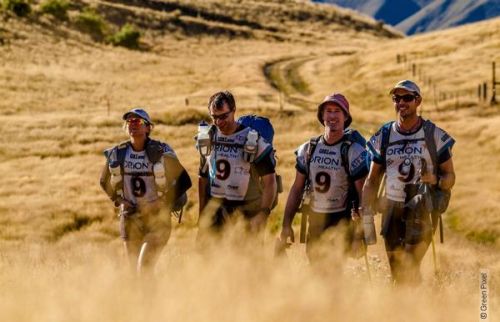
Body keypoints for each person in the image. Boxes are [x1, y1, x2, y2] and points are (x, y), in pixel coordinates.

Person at [361, 80, 456, 284]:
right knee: (397, 272)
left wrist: (435, 179)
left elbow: (450, 177)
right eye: (397, 98)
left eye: (407, 98)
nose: (401, 102)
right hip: (391, 209)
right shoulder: (384, 135)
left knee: (409, 269)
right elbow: (372, 178)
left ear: (418, 100)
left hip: (421, 208)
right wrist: (365, 208)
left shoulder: (433, 135)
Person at [100, 108, 191, 275]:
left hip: (157, 220)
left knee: (144, 268)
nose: (133, 125)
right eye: (129, 122)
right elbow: (103, 180)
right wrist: (119, 200)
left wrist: (161, 202)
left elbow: (184, 180)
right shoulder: (118, 152)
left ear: (148, 128)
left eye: (138, 121)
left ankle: (155, 300)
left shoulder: (160, 151)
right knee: (133, 273)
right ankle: (143, 301)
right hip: (129, 218)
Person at [279, 93, 369, 261]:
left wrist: (360, 234)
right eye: (328, 111)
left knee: (333, 273)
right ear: (322, 116)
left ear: (345, 117)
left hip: (341, 219)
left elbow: (362, 194)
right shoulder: (308, 149)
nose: (332, 116)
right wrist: (286, 224)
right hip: (315, 220)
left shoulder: (354, 151)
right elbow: (297, 188)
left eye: (337, 111)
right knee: (316, 275)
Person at [197, 91, 277, 238]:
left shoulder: (252, 140)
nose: (219, 122)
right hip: (215, 211)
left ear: (234, 110)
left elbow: (270, 181)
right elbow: (203, 178)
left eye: (223, 116)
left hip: (246, 211)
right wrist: (202, 215)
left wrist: (263, 213)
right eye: (214, 117)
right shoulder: (208, 138)